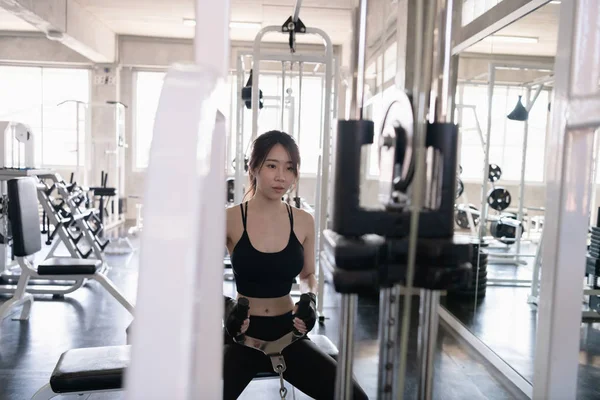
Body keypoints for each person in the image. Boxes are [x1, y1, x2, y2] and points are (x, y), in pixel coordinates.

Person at [224, 130, 369, 399]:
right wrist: (227, 307)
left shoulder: (303, 221)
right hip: (240, 334)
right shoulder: (230, 219)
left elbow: (308, 274)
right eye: (271, 166)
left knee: (355, 397)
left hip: (287, 333)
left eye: (289, 168)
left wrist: (310, 299)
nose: (281, 176)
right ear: (254, 167)